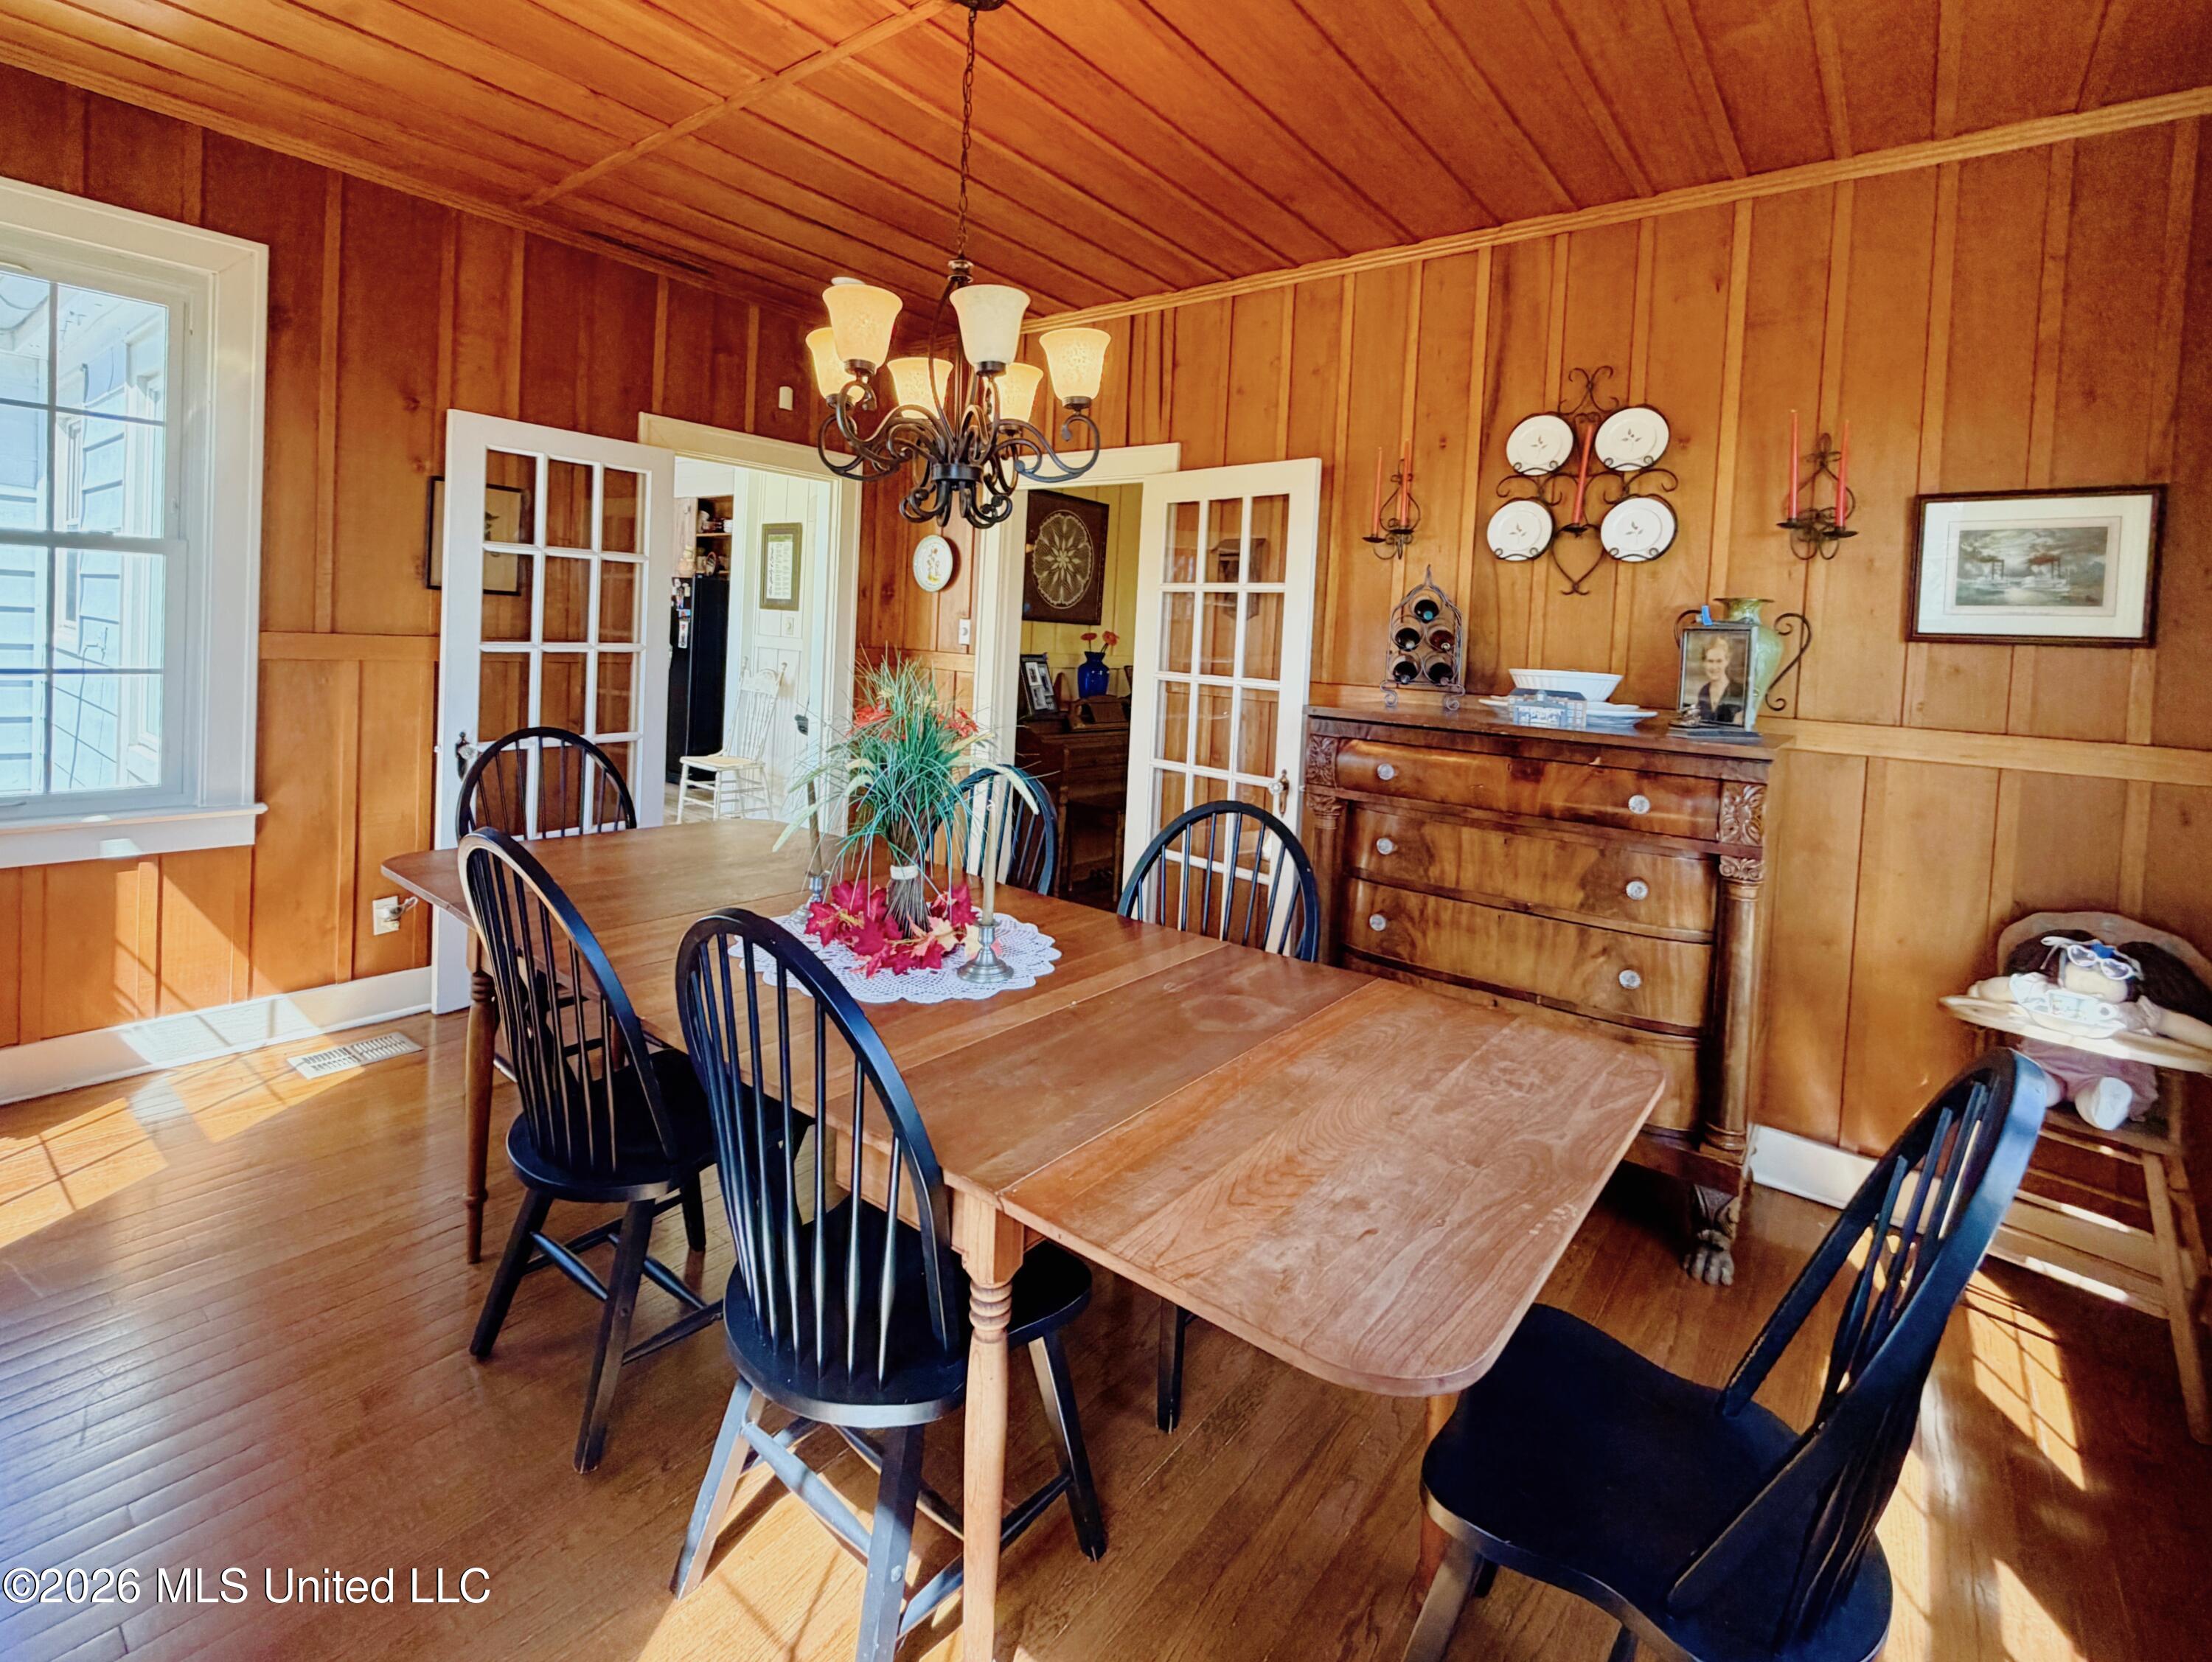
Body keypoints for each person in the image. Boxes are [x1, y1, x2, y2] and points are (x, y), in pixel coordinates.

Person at [1689, 635, 1745, 724]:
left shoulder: (1739, 692)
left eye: (1719, 661)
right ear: (1704, 663)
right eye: (1710, 661)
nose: (1714, 667)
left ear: (1727, 661)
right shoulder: (1704, 692)